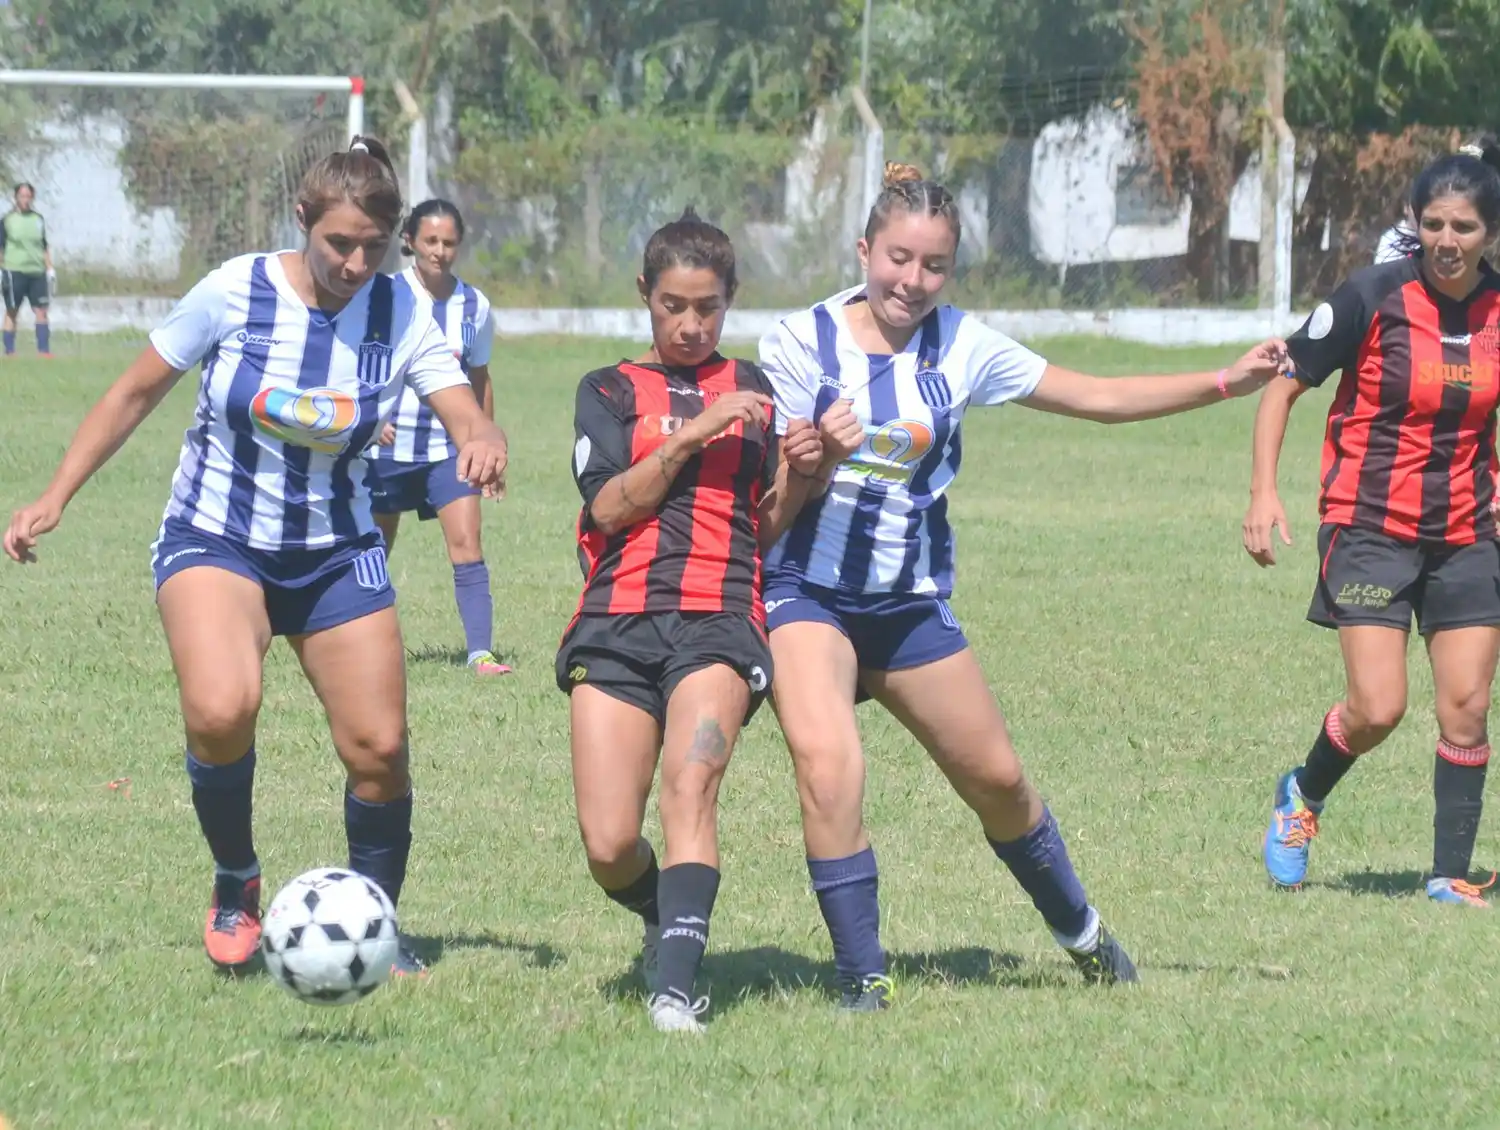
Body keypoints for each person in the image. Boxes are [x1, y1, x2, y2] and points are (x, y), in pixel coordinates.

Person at [759, 162, 1289, 1010]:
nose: (913, 280)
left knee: (1000, 781)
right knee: (829, 766)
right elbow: (772, 493)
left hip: (906, 603)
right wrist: (811, 452)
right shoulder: (795, 343)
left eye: (934, 265)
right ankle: (863, 977)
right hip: (805, 592)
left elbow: (1101, 394)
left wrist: (1224, 381)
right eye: (898, 258)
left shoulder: (965, 345)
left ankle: (1082, 936)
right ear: (864, 248)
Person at [3, 137, 509, 973]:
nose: (353, 262)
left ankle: (373, 925)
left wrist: (481, 435)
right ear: (303, 221)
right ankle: (236, 874)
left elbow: (460, 404)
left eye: (371, 247)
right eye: (337, 242)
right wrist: (56, 495)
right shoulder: (235, 290)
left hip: (338, 549)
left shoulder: (398, 311)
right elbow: (134, 392)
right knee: (222, 707)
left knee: (380, 750)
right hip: (217, 536)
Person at [557, 208, 848, 1034]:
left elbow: (764, 520)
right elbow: (610, 508)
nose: (690, 325)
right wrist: (690, 437)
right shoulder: (606, 390)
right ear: (644, 295)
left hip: (721, 616)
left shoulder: (753, 387)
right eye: (673, 305)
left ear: (731, 301)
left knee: (691, 789)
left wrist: (808, 471)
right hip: (617, 618)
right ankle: (660, 915)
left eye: (709, 307)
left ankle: (676, 989)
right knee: (610, 844)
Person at [1246, 148, 1500, 907]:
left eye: (1464, 226)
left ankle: (1448, 873)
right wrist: (1264, 492)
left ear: (1490, 233)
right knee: (1378, 708)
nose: (1447, 240)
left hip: (1468, 530)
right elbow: (1283, 385)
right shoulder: (1371, 297)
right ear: (1415, 226)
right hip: (1369, 527)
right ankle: (1302, 795)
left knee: (1467, 705)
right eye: (1433, 225)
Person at [367, 198, 510, 676]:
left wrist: (486, 447)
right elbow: (359, 360)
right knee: (370, 550)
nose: (440, 251)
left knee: (468, 546)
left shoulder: (474, 305)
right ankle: (362, 647)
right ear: (409, 241)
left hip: (447, 452)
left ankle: (480, 654)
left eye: (449, 242)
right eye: (431, 241)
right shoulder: (383, 295)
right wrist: (368, 418)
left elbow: (479, 378)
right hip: (387, 449)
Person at [0, 183, 55, 357]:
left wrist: (50, 268)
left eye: (28, 196)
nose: (25, 199)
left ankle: (43, 351)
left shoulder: (38, 219)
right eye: (22, 196)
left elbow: (43, 245)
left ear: (32, 198)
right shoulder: (7, 221)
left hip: (37, 272)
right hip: (13, 270)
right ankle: (10, 351)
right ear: (15, 197)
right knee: (12, 310)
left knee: (41, 310)